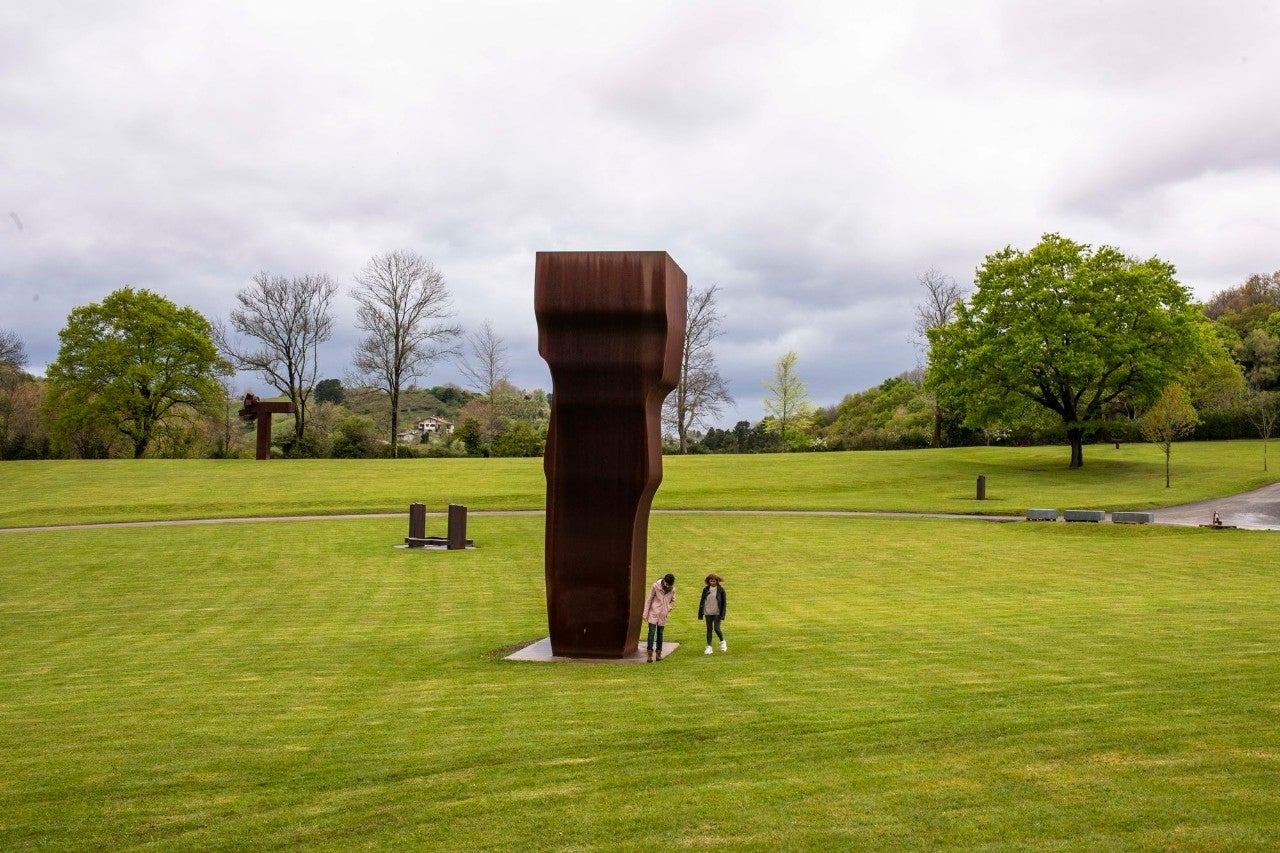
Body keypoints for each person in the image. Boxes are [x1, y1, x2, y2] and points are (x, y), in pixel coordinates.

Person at [643, 573, 676, 662]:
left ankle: (658, 654)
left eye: (669, 584)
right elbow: (649, 599)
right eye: (666, 583)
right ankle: (649, 654)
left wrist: (668, 608)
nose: (667, 585)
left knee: (660, 634)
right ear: (664, 580)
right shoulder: (656, 586)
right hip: (653, 613)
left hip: (663, 615)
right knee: (651, 633)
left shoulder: (672, 589)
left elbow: (673, 600)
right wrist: (645, 614)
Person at [698, 573, 727, 655]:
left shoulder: (721, 590)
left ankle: (722, 641)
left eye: (714, 581)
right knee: (709, 629)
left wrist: (723, 614)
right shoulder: (706, 590)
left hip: (717, 612)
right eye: (711, 581)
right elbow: (702, 601)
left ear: (717, 581)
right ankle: (709, 646)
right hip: (708, 612)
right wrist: (701, 612)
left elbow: (724, 604)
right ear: (708, 581)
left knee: (717, 628)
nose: (712, 583)